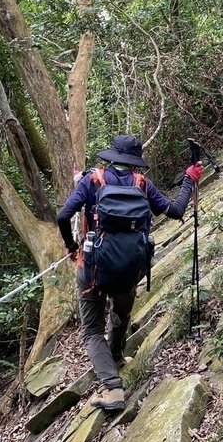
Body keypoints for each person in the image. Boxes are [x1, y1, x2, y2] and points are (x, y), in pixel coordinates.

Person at [56, 134, 204, 411]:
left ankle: (112, 388)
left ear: (111, 157)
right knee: (121, 312)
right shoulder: (141, 183)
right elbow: (175, 210)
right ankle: (117, 356)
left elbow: (63, 216)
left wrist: (71, 246)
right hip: (130, 269)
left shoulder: (93, 180)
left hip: (92, 269)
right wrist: (189, 179)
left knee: (91, 330)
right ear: (135, 161)